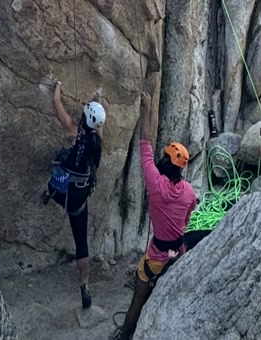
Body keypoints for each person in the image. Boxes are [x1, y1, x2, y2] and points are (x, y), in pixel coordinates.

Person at [116, 91, 197, 340]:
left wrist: (148, 107)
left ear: (167, 162)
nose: (160, 159)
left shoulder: (156, 185)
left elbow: (145, 143)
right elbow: (185, 222)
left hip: (157, 256)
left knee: (139, 295)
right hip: (178, 253)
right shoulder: (189, 192)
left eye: (165, 157)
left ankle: (125, 336)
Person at [46, 80, 105, 310]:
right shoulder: (97, 142)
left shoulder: (72, 130)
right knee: (81, 243)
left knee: (57, 160)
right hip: (78, 199)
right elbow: (98, 124)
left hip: (61, 191)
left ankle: (47, 192)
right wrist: (97, 100)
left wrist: (59, 85)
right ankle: (85, 284)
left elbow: (55, 102)